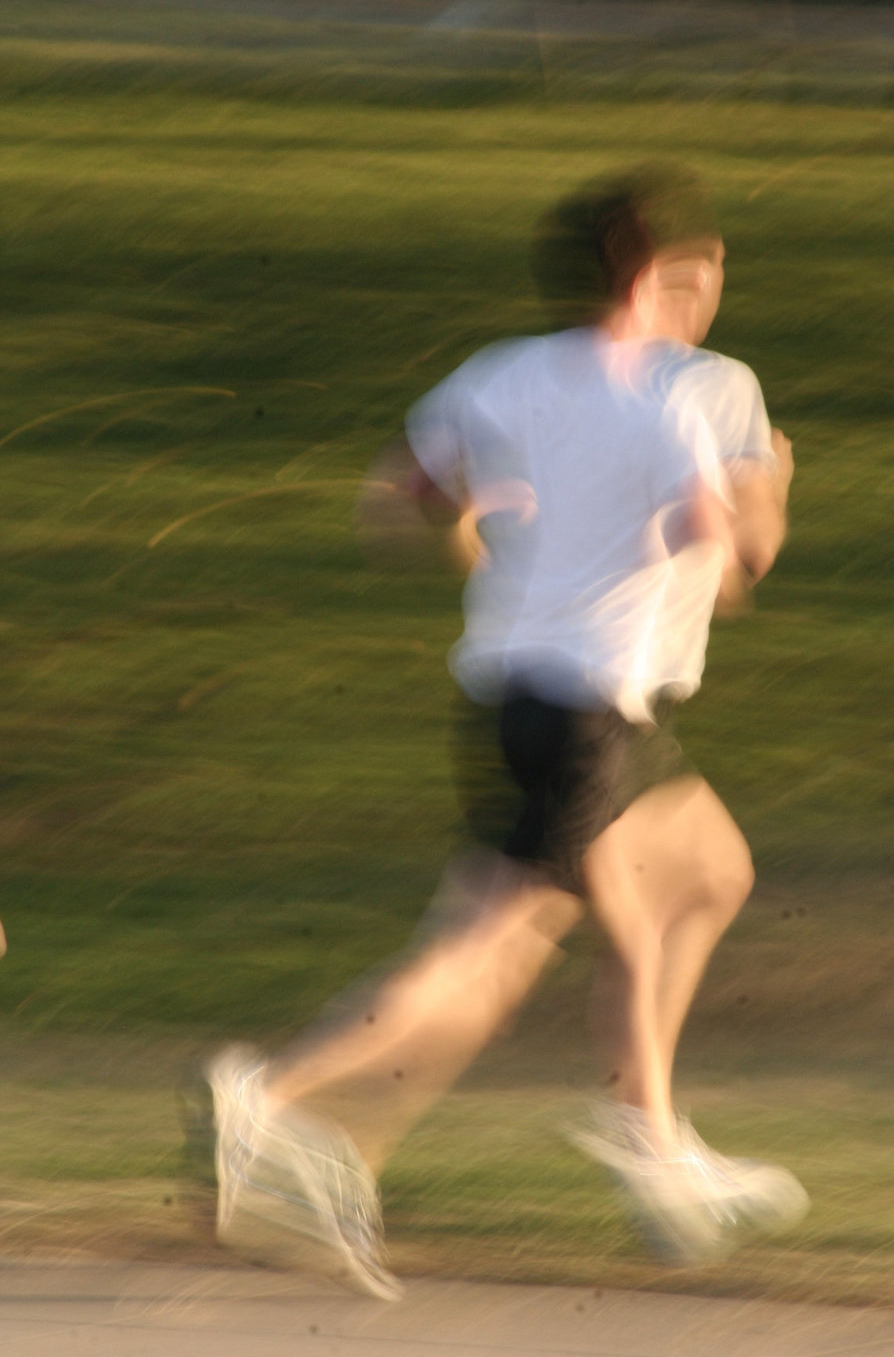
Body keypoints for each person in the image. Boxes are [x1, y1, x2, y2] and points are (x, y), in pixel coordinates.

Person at [200, 164, 807, 1300]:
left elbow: (393, 501)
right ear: (655, 275)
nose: (711, 289)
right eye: (701, 268)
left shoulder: (498, 375)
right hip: (592, 713)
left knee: (707, 870)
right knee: (489, 949)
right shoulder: (708, 388)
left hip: (521, 697)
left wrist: (470, 528)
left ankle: (648, 1128)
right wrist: (768, 485)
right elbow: (744, 551)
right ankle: (271, 1099)